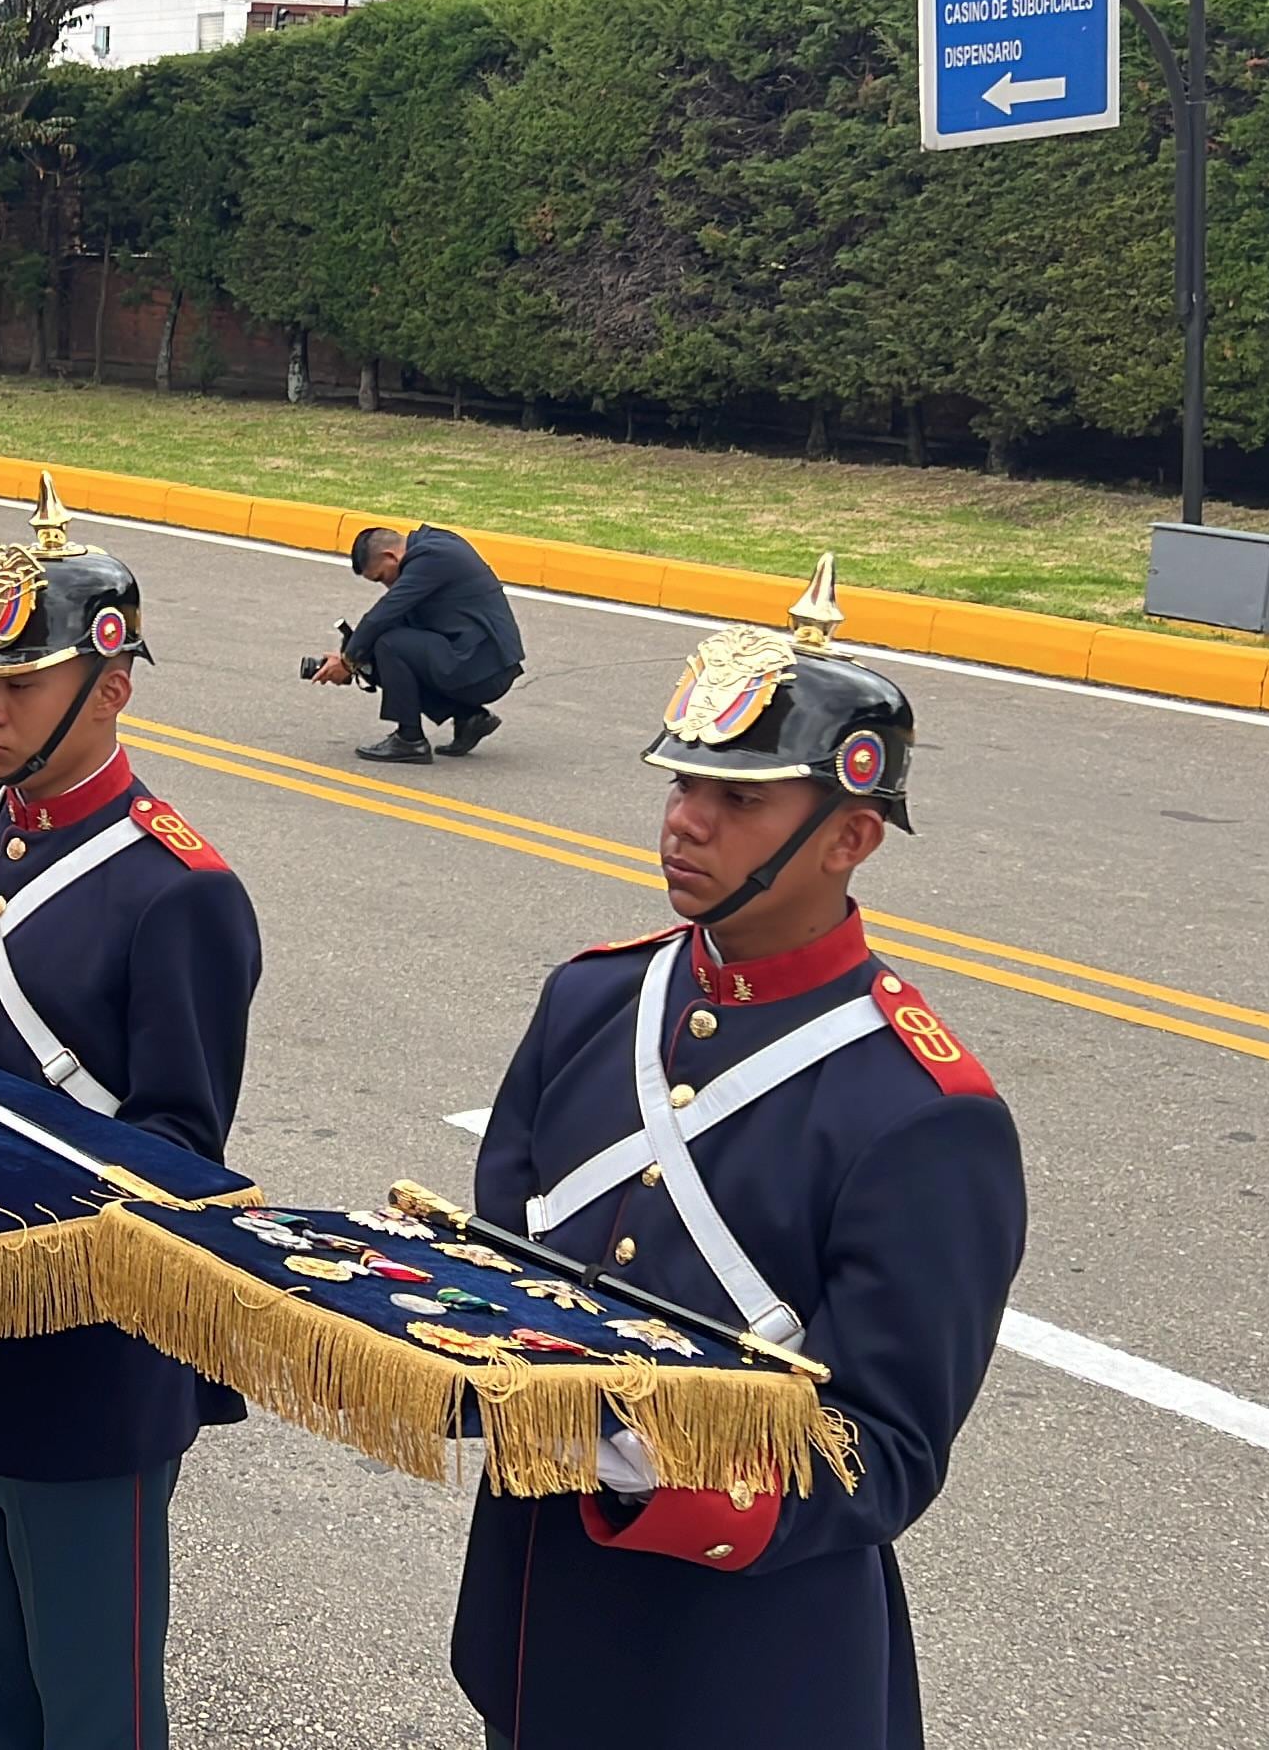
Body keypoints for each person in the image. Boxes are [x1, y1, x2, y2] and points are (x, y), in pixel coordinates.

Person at [454, 559, 1024, 1750]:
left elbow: (885, 1452)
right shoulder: (591, 1000)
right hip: (534, 1614)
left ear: (849, 836)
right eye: (682, 784)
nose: (685, 821)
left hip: (739, 1667)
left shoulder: (921, 1108)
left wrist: (626, 1453)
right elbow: (501, 1260)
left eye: (739, 798)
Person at [0, 479, 261, 1750]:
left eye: (19, 686)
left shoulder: (179, 892)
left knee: (94, 1704)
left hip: (85, 1357)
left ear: (108, 687)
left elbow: (179, 1153)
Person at [316, 523, 525, 764]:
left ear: (390, 556)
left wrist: (349, 661)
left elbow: (384, 612)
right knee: (377, 649)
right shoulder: (432, 544)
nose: (387, 586)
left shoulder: (432, 558)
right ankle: (469, 718)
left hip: (485, 667)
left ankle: (410, 740)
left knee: (389, 645)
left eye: (382, 577)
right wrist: (351, 656)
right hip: (478, 657)